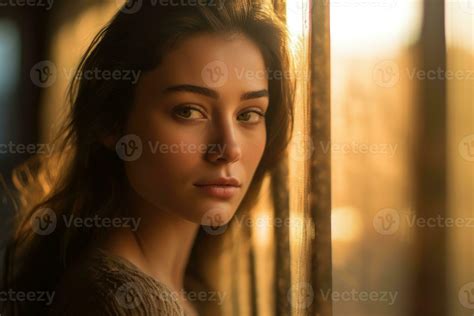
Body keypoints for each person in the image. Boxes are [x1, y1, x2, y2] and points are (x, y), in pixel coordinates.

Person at [1, 0, 294, 315]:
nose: (229, 148)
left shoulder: (186, 287)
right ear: (111, 123)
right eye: (188, 111)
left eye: (249, 114)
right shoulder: (120, 303)